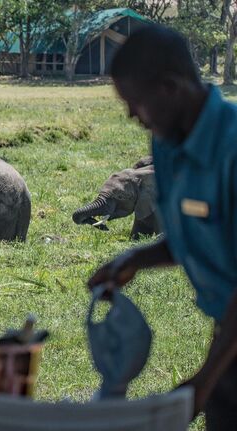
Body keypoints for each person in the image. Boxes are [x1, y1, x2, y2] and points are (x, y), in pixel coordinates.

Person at [88, 25, 237, 430]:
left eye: (136, 102)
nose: (132, 115)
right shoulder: (167, 144)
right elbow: (199, 234)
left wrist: (202, 385)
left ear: (171, 87)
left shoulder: (232, 150)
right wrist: (136, 257)